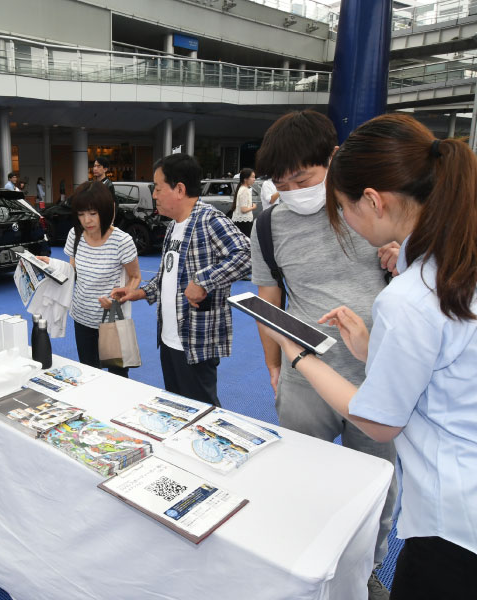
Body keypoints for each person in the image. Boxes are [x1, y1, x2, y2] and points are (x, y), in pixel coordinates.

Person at [262, 113, 477, 600]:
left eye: (343, 207)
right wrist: (370, 346)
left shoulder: (410, 296)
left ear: (374, 201)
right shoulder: (454, 264)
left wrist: (299, 357)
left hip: (454, 521)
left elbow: (379, 422)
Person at [251, 109, 397, 599]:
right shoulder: (270, 223)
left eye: (303, 177)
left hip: (376, 373)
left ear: (333, 160)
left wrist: (404, 254)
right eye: (282, 181)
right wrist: (273, 363)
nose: (293, 189)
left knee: (378, 485)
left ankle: (366, 570)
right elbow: (268, 297)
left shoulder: (373, 209)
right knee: (300, 478)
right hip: (305, 374)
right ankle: (300, 564)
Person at [112, 153, 251, 406]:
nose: (154, 195)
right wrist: (140, 292)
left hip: (195, 340)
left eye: (158, 188)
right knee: (178, 408)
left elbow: (245, 253)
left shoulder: (209, 220)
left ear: (179, 189)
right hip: (168, 339)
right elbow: (169, 274)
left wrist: (204, 281)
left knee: (202, 412)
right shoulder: (174, 225)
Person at [44, 181, 140, 377]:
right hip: (82, 317)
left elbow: (135, 276)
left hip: (112, 318)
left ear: (104, 211)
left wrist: (119, 299)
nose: (86, 220)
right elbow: (71, 271)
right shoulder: (75, 235)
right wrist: (49, 264)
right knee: (88, 374)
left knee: (116, 379)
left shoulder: (122, 241)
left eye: (92, 213)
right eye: (81, 214)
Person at [230, 168, 257, 237]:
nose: (254, 179)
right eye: (252, 177)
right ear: (245, 179)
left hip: (243, 221)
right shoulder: (244, 190)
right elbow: (244, 210)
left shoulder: (243, 189)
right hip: (244, 222)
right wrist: (253, 207)